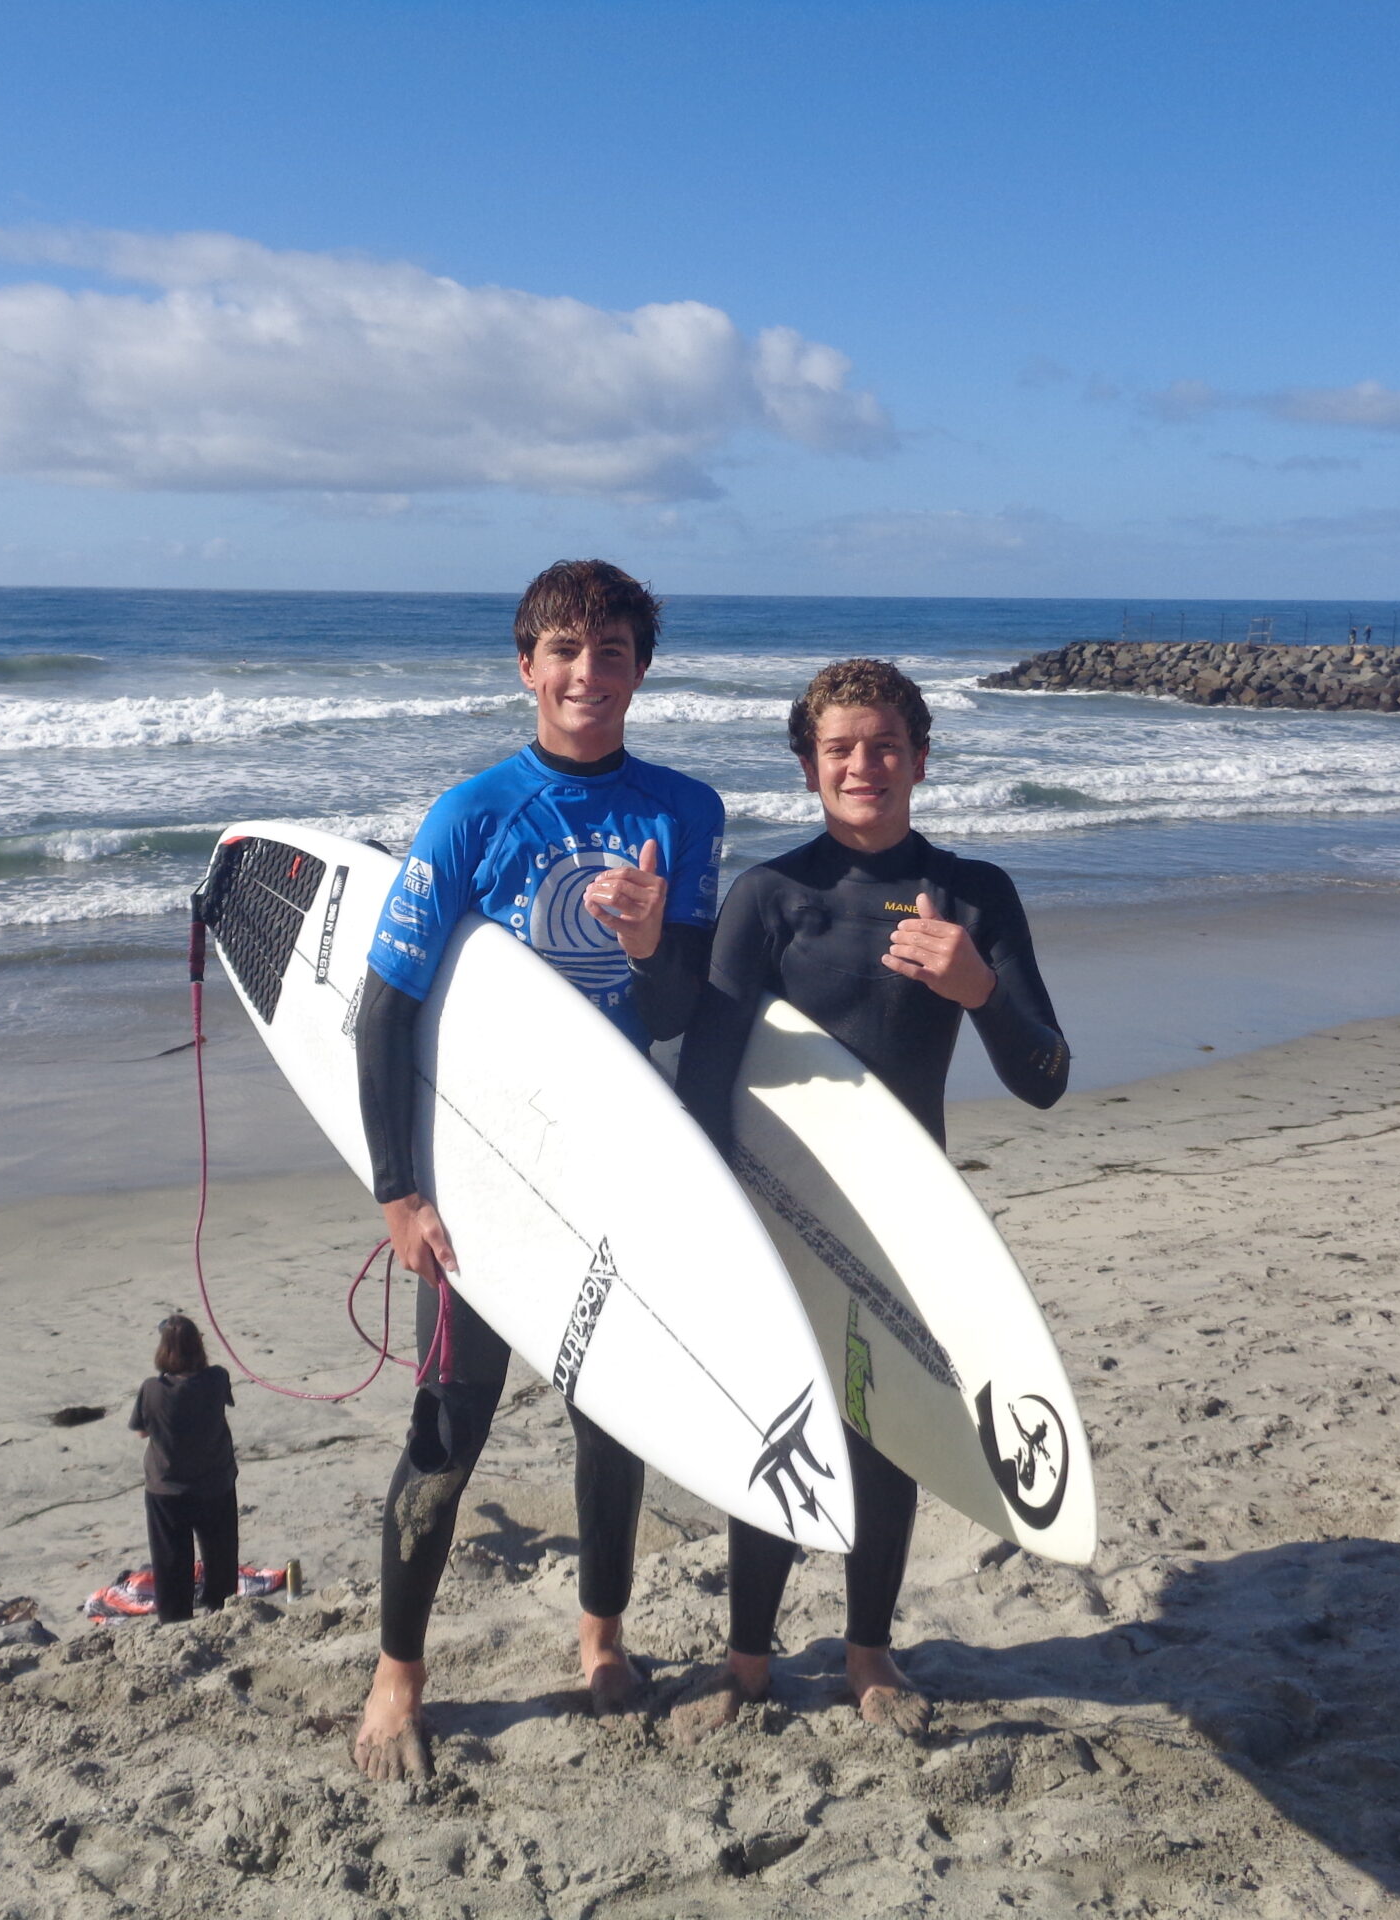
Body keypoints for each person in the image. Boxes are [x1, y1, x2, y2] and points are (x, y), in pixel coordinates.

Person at [350, 559, 724, 1781]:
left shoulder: (686, 811)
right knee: (448, 1430)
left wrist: (647, 938)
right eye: (563, 650)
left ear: (638, 672)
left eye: (610, 652)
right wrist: (399, 1191)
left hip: (612, 1169)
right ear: (526, 666)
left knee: (609, 1425)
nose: (586, 673)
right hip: (484, 1176)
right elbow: (381, 1013)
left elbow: (674, 1012)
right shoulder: (471, 814)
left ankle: (600, 1638)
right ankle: (399, 1672)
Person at [672, 658, 1068, 1740]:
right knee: (776, 1422)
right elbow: (703, 1077)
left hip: (908, 1213)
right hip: (779, 1213)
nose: (864, 766)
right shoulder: (768, 898)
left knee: (884, 1432)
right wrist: (713, 1226)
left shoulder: (973, 895)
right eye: (839, 749)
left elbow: (1044, 1077)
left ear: (922, 758)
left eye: (884, 745)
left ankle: (868, 1653)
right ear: (808, 767)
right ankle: (746, 1660)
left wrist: (975, 988)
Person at [128, 1313, 239, 1622]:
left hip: (168, 1488)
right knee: (221, 1555)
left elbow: (141, 1431)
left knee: (171, 1560)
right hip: (214, 1484)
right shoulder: (217, 1378)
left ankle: (176, 1617)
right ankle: (221, 1608)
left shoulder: (152, 1389)